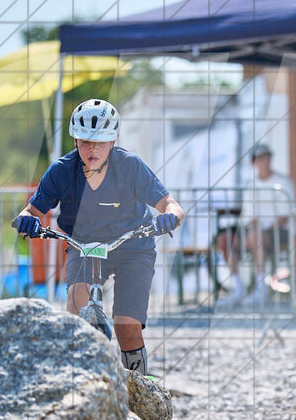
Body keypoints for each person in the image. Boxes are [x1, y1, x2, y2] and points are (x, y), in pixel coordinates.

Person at [13, 99, 184, 376]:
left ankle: (137, 386)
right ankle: (80, 377)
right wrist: (26, 220)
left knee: (126, 326)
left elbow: (169, 203)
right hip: (85, 246)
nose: (93, 148)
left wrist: (170, 216)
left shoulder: (130, 166)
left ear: (113, 141)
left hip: (132, 246)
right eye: (85, 141)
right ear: (75, 139)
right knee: (76, 303)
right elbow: (31, 210)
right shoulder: (60, 171)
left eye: (101, 141)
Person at [216, 143, 296, 306]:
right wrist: (254, 229)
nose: (264, 162)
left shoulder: (283, 182)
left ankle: (262, 288)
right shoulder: (251, 185)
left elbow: (285, 216)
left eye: (266, 158)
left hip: (279, 232)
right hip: (254, 232)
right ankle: (238, 287)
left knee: (257, 238)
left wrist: (259, 230)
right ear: (254, 163)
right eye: (260, 159)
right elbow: (250, 214)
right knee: (225, 239)